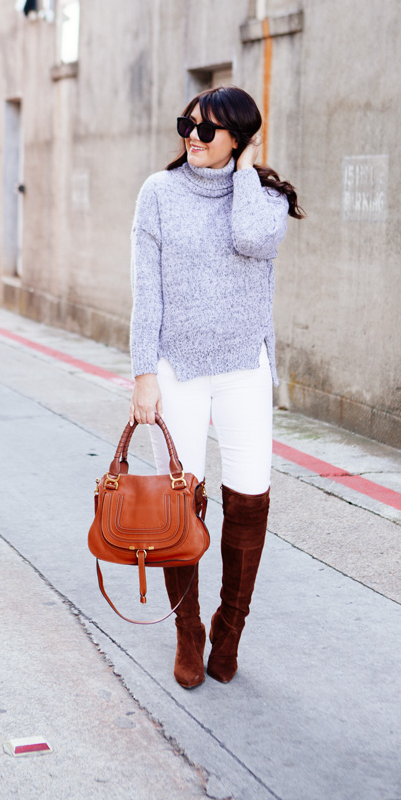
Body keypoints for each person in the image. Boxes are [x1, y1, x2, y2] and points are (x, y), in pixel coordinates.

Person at [128, 85, 304, 688]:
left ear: (237, 138)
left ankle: (230, 630)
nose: (193, 138)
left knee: (249, 499)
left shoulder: (264, 200)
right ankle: (189, 630)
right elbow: (145, 291)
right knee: (179, 506)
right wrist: (143, 374)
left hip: (243, 369)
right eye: (187, 125)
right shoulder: (158, 194)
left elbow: (251, 240)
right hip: (176, 369)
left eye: (207, 130)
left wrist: (247, 175)